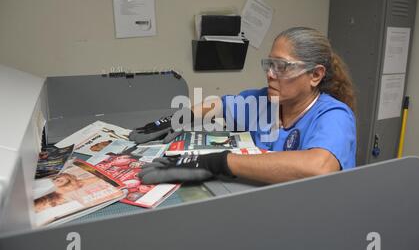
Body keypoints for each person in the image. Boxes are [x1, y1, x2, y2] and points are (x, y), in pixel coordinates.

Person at [130, 27, 356, 184]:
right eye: (269, 64)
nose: (269, 74)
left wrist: (217, 163)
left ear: (315, 75)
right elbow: (220, 105)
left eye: (281, 67)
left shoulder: (334, 115)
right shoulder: (266, 102)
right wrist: (179, 117)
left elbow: (319, 167)